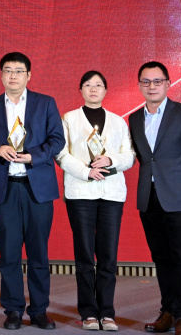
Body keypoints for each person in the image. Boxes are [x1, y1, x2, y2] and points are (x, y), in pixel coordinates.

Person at [0, 52, 64, 331]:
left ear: (29, 75)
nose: (13, 75)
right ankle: (13, 309)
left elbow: (57, 140)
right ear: (1, 75)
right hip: (6, 189)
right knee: (9, 253)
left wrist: (34, 156)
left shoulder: (45, 103)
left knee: (39, 252)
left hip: (37, 189)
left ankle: (39, 310)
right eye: (8, 70)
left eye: (19, 71)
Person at [128, 62, 181, 335]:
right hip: (149, 199)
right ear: (139, 85)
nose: (151, 86)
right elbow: (144, 158)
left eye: (157, 81)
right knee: (161, 258)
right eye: (146, 81)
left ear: (168, 83)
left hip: (180, 199)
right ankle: (168, 312)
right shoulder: (134, 119)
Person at [55, 71, 135, 331]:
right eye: (88, 85)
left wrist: (111, 160)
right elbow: (60, 153)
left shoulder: (118, 121)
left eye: (98, 85)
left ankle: (107, 312)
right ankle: (89, 311)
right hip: (81, 193)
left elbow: (129, 156)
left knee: (108, 256)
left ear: (105, 90)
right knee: (84, 255)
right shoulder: (69, 118)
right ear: (80, 89)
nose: (93, 89)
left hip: (111, 194)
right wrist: (85, 171)